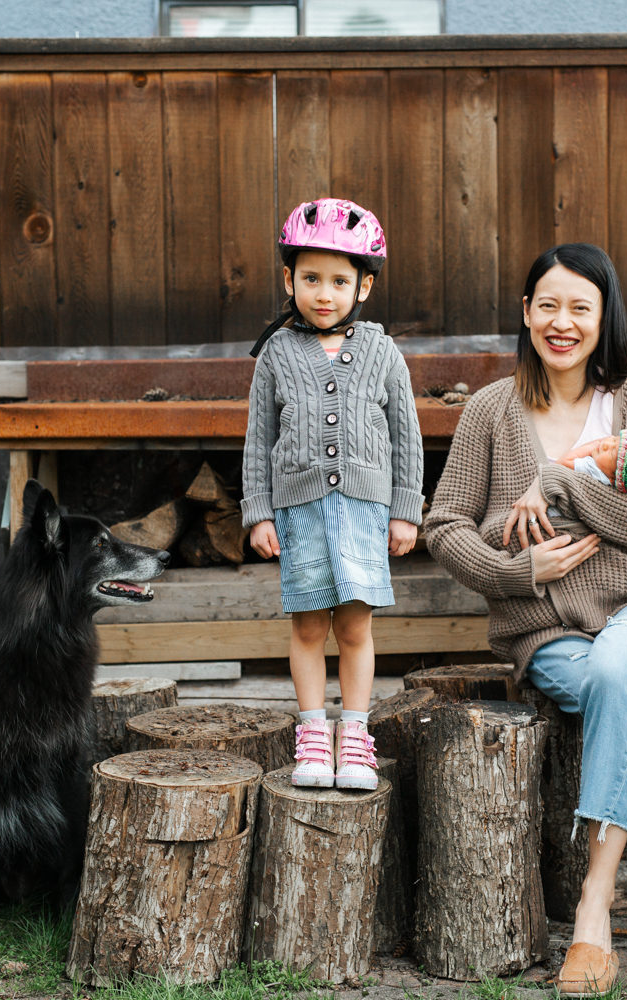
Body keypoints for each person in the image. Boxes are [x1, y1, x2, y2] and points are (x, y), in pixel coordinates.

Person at [425, 243, 627, 994]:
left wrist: (559, 482)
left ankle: (593, 905)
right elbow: (444, 525)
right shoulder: (489, 410)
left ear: (604, 315)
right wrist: (517, 570)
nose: (563, 321)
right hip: (543, 626)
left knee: (621, 670)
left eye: (581, 306)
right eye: (548, 304)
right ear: (526, 312)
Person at [241, 197, 424, 791]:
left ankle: (356, 733)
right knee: (307, 628)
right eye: (312, 278)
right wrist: (257, 512)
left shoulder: (381, 351)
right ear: (289, 279)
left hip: (366, 512)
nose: (325, 292)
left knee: (355, 628)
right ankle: (313, 732)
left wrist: (405, 511)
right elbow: (258, 437)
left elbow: (407, 437)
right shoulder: (275, 354)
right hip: (298, 513)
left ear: (364, 286)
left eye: (340, 280)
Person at [555, 429, 627, 494]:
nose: (606, 443)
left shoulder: (592, 469)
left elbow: (562, 463)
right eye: (614, 439)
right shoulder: (610, 484)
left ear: (614, 478)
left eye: (612, 453)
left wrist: (593, 445)